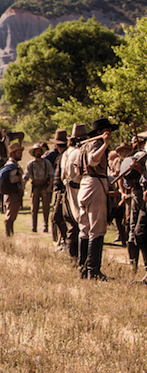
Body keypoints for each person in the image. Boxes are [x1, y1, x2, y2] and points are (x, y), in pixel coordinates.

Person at [77, 117, 118, 280]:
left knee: (85, 228)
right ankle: (93, 271)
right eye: (107, 130)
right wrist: (106, 144)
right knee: (96, 228)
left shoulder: (84, 145)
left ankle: (83, 269)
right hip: (95, 183)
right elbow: (93, 161)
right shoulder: (97, 144)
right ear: (101, 131)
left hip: (85, 184)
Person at [61, 123, 89, 262]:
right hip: (79, 189)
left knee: (73, 224)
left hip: (69, 190)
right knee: (83, 224)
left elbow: (62, 175)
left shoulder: (67, 153)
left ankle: (73, 256)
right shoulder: (81, 153)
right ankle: (82, 259)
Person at [119, 151, 147, 274]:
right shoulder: (135, 163)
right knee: (135, 230)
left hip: (144, 196)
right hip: (136, 194)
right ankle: (133, 263)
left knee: (140, 231)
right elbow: (123, 178)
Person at [45, 129, 68, 248]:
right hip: (59, 189)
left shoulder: (65, 155)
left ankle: (66, 240)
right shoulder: (60, 156)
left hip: (63, 191)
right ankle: (64, 240)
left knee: (57, 216)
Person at [25, 142, 54, 233]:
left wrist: (50, 187)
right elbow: (26, 176)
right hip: (35, 187)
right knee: (34, 208)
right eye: (36, 151)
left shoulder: (47, 163)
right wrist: (22, 186)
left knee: (46, 207)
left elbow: (51, 176)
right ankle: (34, 226)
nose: (38, 153)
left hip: (45, 186)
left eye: (39, 151)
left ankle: (46, 225)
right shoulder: (31, 164)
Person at [0, 142, 25, 237]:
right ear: (13, 153)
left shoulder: (13, 164)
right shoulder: (11, 165)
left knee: (12, 215)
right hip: (12, 193)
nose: (21, 154)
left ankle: (10, 234)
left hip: (14, 193)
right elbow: (12, 179)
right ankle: (8, 235)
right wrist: (19, 175)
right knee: (10, 215)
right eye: (19, 152)